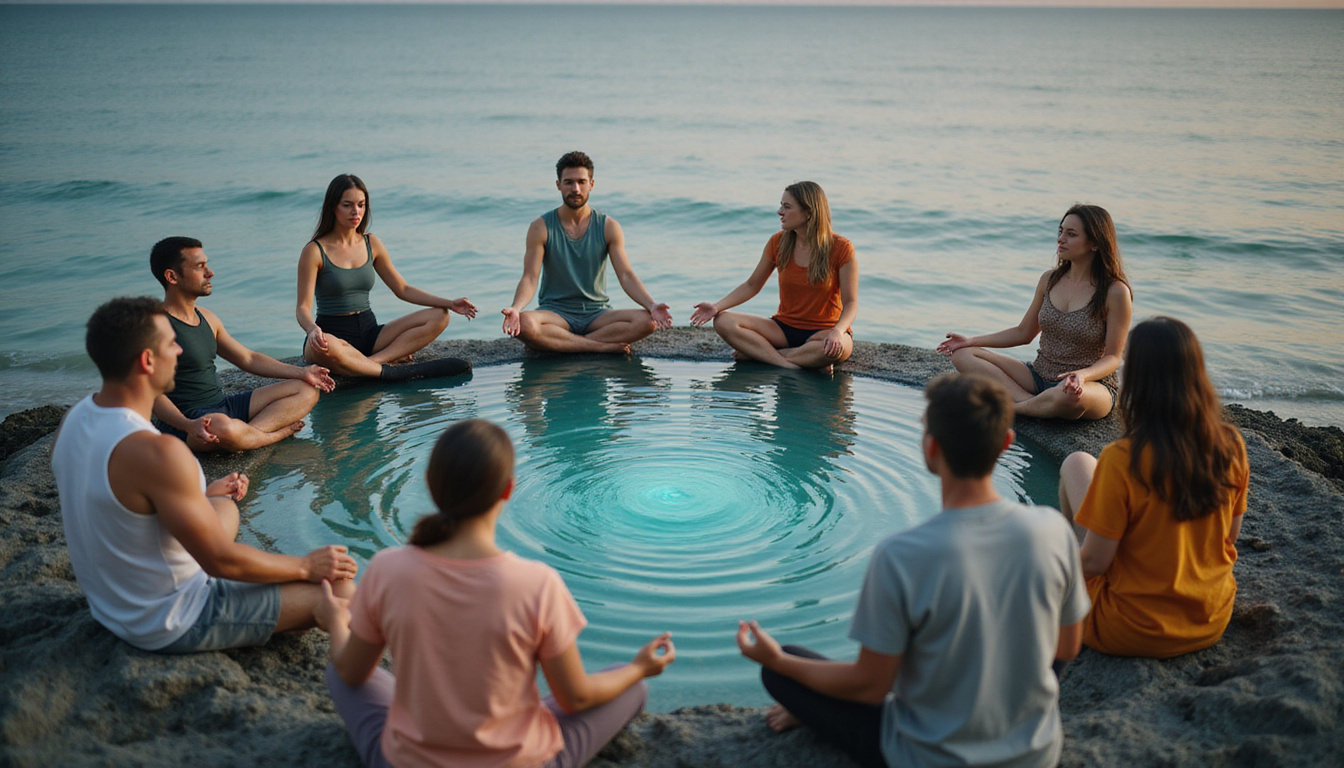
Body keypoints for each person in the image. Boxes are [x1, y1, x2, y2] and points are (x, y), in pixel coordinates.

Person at [736, 373, 1089, 768]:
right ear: (1006, 444)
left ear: (931, 449)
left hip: (927, 756)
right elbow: (1066, 648)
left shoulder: (902, 555)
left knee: (783, 668)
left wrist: (778, 662)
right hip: (1035, 753)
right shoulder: (1052, 530)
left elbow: (870, 687)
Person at [317, 418, 675, 768]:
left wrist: (337, 623)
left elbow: (351, 674)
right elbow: (575, 697)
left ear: (430, 483)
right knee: (629, 685)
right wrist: (639, 668)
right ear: (508, 489)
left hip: (408, 760)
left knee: (339, 670)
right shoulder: (537, 582)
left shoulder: (388, 568)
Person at [51, 297, 358, 653]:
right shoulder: (159, 453)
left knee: (223, 505)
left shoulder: (73, 422)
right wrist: (306, 566)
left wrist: (203, 497)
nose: (180, 350)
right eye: (171, 343)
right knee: (338, 587)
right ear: (147, 361)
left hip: (111, 604)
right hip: (170, 618)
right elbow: (219, 562)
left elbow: (118, 513)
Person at [1058, 317, 1249, 658]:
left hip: (1130, 626)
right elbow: (1228, 538)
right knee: (1078, 464)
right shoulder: (1229, 445)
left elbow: (1095, 563)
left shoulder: (1122, 459)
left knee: (1075, 469)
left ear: (1138, 381)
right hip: (1209, 617)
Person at [937, 204, 1133, 420]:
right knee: (962, 355)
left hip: (1089, 385)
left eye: (1071, 234)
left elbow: (1114, 356)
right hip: (1038, 375)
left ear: (1095, 243)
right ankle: (1030, 404)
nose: (1061, 239)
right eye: (1060, 231)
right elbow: (1023, 332)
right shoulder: (1049, 280)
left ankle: (1017, 407)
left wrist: (1082, 375)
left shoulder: (1115, 291)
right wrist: (971, 340)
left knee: (1069, 399)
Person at [149, 236, 336, 452]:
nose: (210, 272)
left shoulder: (208, 318)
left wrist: (302, 373)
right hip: (188, 422)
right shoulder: (156, 326)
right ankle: (269, 436)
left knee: (307, 390)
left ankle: (248, 436)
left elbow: (248, 358)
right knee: (223, 428)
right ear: (172, 276)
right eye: (199, 267)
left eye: (206, 264)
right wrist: (188, 425)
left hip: (224, 408)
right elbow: (152, 394)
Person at [298, 173, 475, 380]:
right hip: (332, 334)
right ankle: (383, 368)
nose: (356, 211)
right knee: (326, 347)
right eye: (347, 205)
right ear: (333, 207)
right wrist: (312, 330)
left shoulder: (371, 243)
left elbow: (402, 289)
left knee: (440, 316)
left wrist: (450, 303)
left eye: (361, 205)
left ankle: (372, 363)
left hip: (370, 333)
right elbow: (302, 307)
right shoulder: (315, 251)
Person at [501, 151, 672, 354]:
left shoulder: (608, 226)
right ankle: (599, 348)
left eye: (582, 182)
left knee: (647, 321)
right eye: (569, 182)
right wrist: (516, 308)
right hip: (555, 313)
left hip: (597, 314)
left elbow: (626, 275)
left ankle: (560, 344)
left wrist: (651, 305)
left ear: (591, 184)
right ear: (558, 185)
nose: (575, 189)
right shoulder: (541, 227)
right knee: (525, 324)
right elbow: (530, 277)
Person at [691, 181, 858, 370]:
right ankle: (789, 362)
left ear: (809, 213)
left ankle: (762, 354)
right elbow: (752, 285)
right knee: (723, 321)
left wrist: (838, 331)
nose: (780, 212)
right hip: (783, 329)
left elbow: (851, 302)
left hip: (825, 331)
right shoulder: (778, 242)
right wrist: (715, 307)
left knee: (835, 349)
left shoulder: (841, 248)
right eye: (781, 205)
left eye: (787, 207)